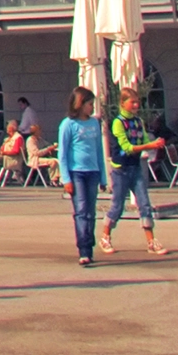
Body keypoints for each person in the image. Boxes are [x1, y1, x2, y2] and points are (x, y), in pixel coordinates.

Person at [100, 87, 168, 256]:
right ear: (123, 103)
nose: (136, 105)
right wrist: (149, 145)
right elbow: (127, 148)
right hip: (120, 169)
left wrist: (155, 144)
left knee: (144, 204)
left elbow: (144, 140)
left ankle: (151, 241)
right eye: (133, 102)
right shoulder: (118, 123)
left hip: (135, 167)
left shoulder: (138, 122)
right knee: (118, 205)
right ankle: (105, 236)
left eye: (137, 102)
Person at [57, 86, 105, 266]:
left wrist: (103, 177)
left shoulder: (94, 123)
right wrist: (66, 179)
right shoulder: (68, 124)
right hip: (76, 172)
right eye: (89, 104)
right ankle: (83, 249)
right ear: (80, 104)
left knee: (91, 212)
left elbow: (99, 151)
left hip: (93, 172)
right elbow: (62, 154)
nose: (92, 108)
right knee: (81, 210)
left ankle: (89, 246)